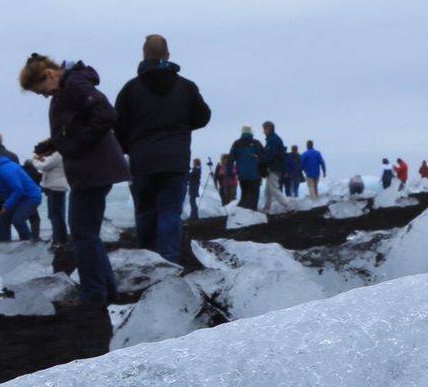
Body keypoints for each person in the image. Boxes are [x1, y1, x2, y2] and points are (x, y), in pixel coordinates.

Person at [20, 54, 127, 310]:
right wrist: (54, 143)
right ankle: (105, 290)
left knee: (82, 233)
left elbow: (105, 113)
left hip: (94, 168)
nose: (43, 95)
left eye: (41, 90)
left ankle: (93, 295)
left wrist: (77, 144)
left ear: (48, 74)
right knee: (87, 232)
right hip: (92, 169)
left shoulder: (75, 85)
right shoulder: (65, 90)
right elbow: (75, 124)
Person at [113, 34, 211, 264]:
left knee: (145, 211)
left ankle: (147, 259)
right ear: (167, 55)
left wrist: (130, 147)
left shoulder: (131, 89)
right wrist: (181, 128)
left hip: (142, 160)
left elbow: (117, 125)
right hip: (175, 160)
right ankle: (169, 259)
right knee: (170, 212)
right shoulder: (185, 87)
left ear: (144, 55)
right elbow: (203, 117)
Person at [0, 152, 43, 241]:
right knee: (1, 220)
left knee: (18, 220)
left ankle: (29, 243)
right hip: (18, 198)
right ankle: (5, 246)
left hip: (30, 197)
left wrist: (7, 206)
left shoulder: (5, 169)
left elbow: (17, 189)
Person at [34, 142, 69, 243]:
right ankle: (62, 237)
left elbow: (44, 166)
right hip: (58, 187)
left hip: (55, 188)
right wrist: (43, 158)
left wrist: (35, 160)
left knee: (54, 215)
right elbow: (48, 163)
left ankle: (58, 238)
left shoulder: (57, 155)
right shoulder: (59, 155)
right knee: (57, 214)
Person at [229, 127, 262, 209]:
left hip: (242, 174)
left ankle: (242, 212)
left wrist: (228, 172)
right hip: (254, 173)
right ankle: (252, 213)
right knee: (254, 195)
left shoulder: (236, 144)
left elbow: (231, 159)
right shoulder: (256, 143)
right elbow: (263, 157)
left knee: (244, 193)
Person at [260, 121, 285, 212]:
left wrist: (261, 160)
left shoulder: (272, 140)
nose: (263, 131)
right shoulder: (274, 139)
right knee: (267, 191)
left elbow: (271, 154)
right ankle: (266, 209)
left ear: (268, 128)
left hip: (274, 167)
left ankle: (289, 207)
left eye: (264, 129)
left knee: (274, 190)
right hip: (276, 166)